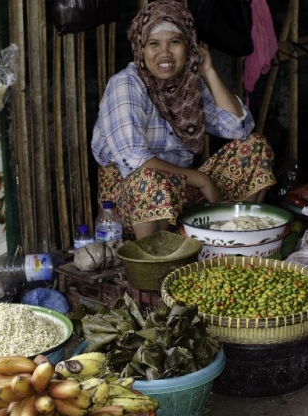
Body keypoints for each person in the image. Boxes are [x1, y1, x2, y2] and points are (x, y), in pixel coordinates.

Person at [91, 0, 276, 240]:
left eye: (175, 42)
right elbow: (134, 160)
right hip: (128, 204)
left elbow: (239, 128)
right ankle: (155, 258)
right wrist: (201, 180)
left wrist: (208, 72)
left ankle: (231, 238)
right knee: (149, 179)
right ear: (140, 48)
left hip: (180, 191)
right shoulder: (126, 84)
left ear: (189, 47)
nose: (164, 53)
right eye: (153, 44)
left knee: (255, 149)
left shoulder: (188, 84)